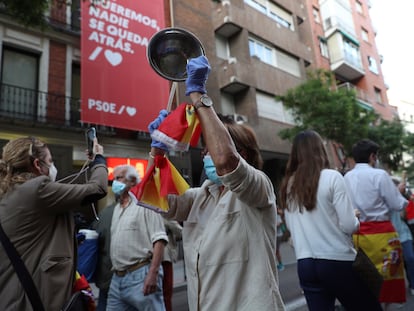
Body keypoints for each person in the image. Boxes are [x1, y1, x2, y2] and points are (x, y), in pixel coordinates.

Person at [148, 55, 285, 310]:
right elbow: (159, 199)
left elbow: (226, 163)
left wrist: (199, 96)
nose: (205, 154)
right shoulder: (200, 196)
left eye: (210, 147)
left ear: (241, 154)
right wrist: (158, 151)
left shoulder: (259, 188)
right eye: (205, 150)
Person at [278, 130, 382, 311]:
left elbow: (293, 232)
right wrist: (354, 217)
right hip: (337, 261)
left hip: (305, 264)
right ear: (320, 149)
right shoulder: (332, 176)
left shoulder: (288, 185)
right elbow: (350, 226)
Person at [0, 136, 108, 310]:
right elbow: (99, 188)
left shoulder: (9, 192)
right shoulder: (37, 189)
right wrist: (99, 160)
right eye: (50, 161)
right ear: (37, 164)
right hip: (34, 296)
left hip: (12, 293)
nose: (53, 166)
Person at [344, 139, 408, 307]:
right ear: (372, 157)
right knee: (387, 277)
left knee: (364, 279)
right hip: (382, 233)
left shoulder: (347, 177)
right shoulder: (379, 175)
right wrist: (401, 193)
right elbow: (397, 204)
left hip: (359, 235)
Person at [107, 164, 168, 311]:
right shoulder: (117, 208)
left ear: (133, 181)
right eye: (114, 178)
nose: (115, 182)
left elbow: (159, 240)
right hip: (117, 279)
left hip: (140, 276)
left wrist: (153, 274)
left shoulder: (146, 203)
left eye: (119, 178)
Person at [91, 199, 116, 311]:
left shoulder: (104, 213)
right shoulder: (135, 212)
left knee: (103, 302)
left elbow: (95, 234)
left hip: (105, 271)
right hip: (123, 273)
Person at [162, 219, 183, 311]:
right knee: (166, 294)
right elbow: (180, 232)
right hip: (164, 257)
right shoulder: (161, 212)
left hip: (151, 257)